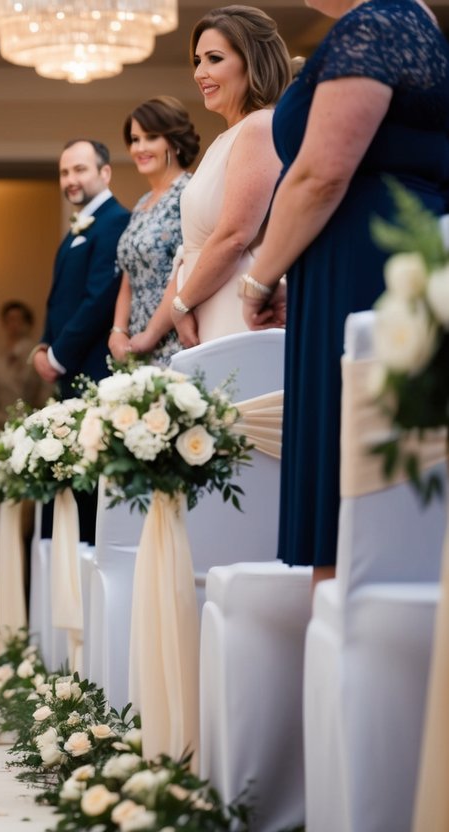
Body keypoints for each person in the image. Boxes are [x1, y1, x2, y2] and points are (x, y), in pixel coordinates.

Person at [240, 0, 449, 580]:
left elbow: (320, 174)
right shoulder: (414, 22)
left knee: (350, 485)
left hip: (363, 258)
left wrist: (260, 278)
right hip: (374, 253)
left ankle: (351, 652)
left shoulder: (375, 23)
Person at [132, 6, 291, 353]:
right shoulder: (225, 139)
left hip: (235, 312)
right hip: (207, 309)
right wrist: (181, 304)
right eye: (197, 61)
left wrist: (181, 304)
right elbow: (194, 248)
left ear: (253, 62)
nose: (200, 73)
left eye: (214, 59)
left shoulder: (260, 127)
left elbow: (234, 236)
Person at [32, 138, 131, 544]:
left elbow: (99, 299)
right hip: (70, 373)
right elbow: (60, 299)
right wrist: (42, 344)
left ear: (104, 173)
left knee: (89, 485)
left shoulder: (114, 222)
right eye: (64, 172)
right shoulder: (79, 226)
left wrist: (56, 355)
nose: (70, 180)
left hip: (92, 369)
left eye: (80, 170)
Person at [109, 97, 198, 366]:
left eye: (150, 137)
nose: (140, 148)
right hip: (133, 346)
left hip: (170, 339)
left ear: (173, 140)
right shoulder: (142, 203)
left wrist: (151, 334)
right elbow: (129, 272)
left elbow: (185, 271)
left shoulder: (190, 193)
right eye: (135, 139)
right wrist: (118, 332)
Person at [0, 300, 46, 436]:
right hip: (1, 424)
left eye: (18, 319)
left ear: (27, 323)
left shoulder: (36, 353)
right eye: (9, 320)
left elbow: (39, 388)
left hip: (30, 422)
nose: (14, 324)